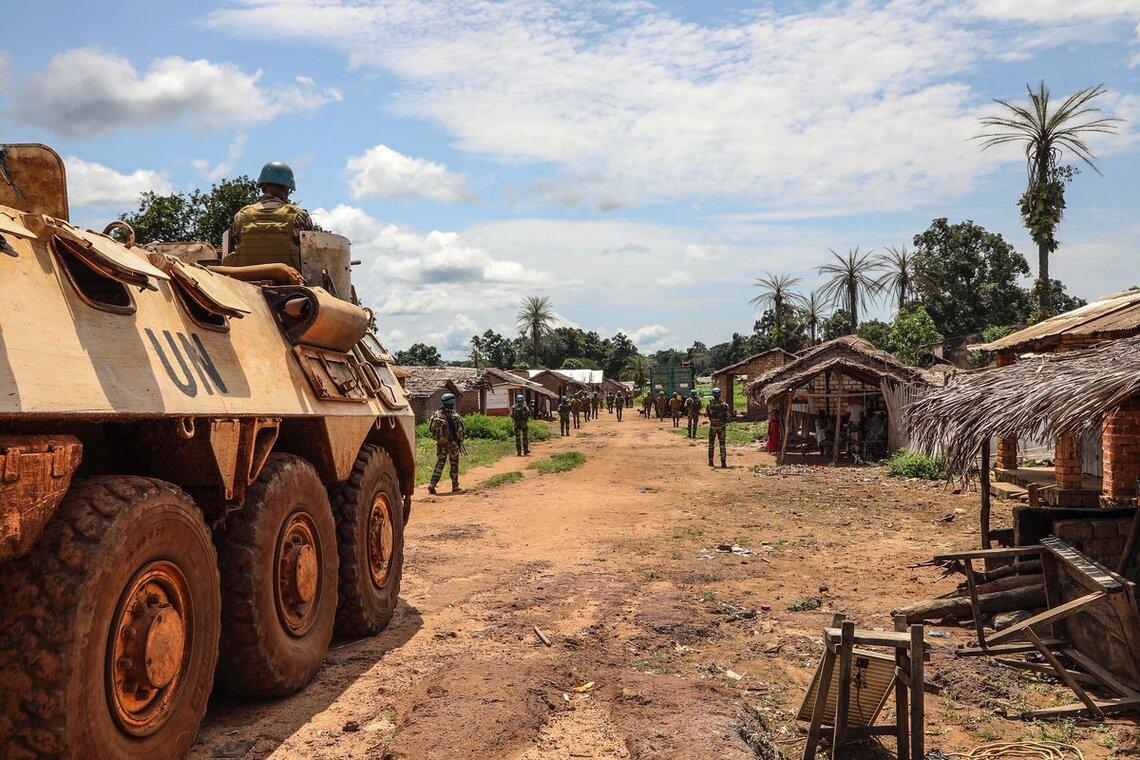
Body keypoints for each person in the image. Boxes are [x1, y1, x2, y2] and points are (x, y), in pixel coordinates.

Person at [224, 161, 314, 271]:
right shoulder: (299, 216)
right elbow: (310, 256)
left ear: (262, 188)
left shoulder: (241, 217)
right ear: (286, 189)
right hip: (290, 285)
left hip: (242, 284)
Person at [427, 393, 464, 494]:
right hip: (453, 444)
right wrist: (458, 441)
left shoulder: (436, 415)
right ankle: (455, 486)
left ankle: (432, 484)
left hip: (441, 444)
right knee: (454, 464)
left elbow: (431, 429)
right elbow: (459, 432)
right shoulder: (455, 416)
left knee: (440, 463)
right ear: (452, 403)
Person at [707, 387, 729, 468]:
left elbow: (709, 415)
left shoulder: (709, 405)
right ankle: (723, 462)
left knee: (711, 444)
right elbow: (727, 416)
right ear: (720, 395)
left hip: (713, 426)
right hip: (721, 427)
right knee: (722, 444)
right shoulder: (724, 405)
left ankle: (710, 462)